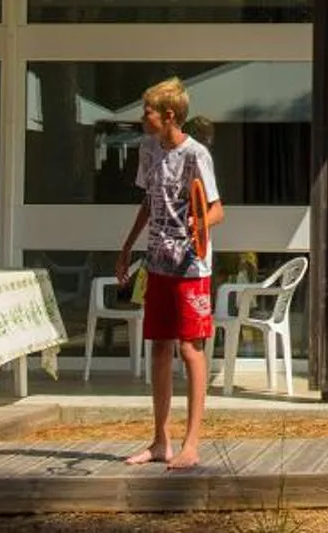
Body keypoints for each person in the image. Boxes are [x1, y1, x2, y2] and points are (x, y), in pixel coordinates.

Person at [116, 77, 224, 469]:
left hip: (191, 265)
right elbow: (149, 201)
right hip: (157, 261)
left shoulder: (197, 155)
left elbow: (216, 208)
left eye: (148, 111)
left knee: (190, 348)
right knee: (159, 346)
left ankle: (191, 444)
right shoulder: (147, 149)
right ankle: (160, 440)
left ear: (170, 116)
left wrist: (200, 227)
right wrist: (128, 247)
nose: (142, 116)